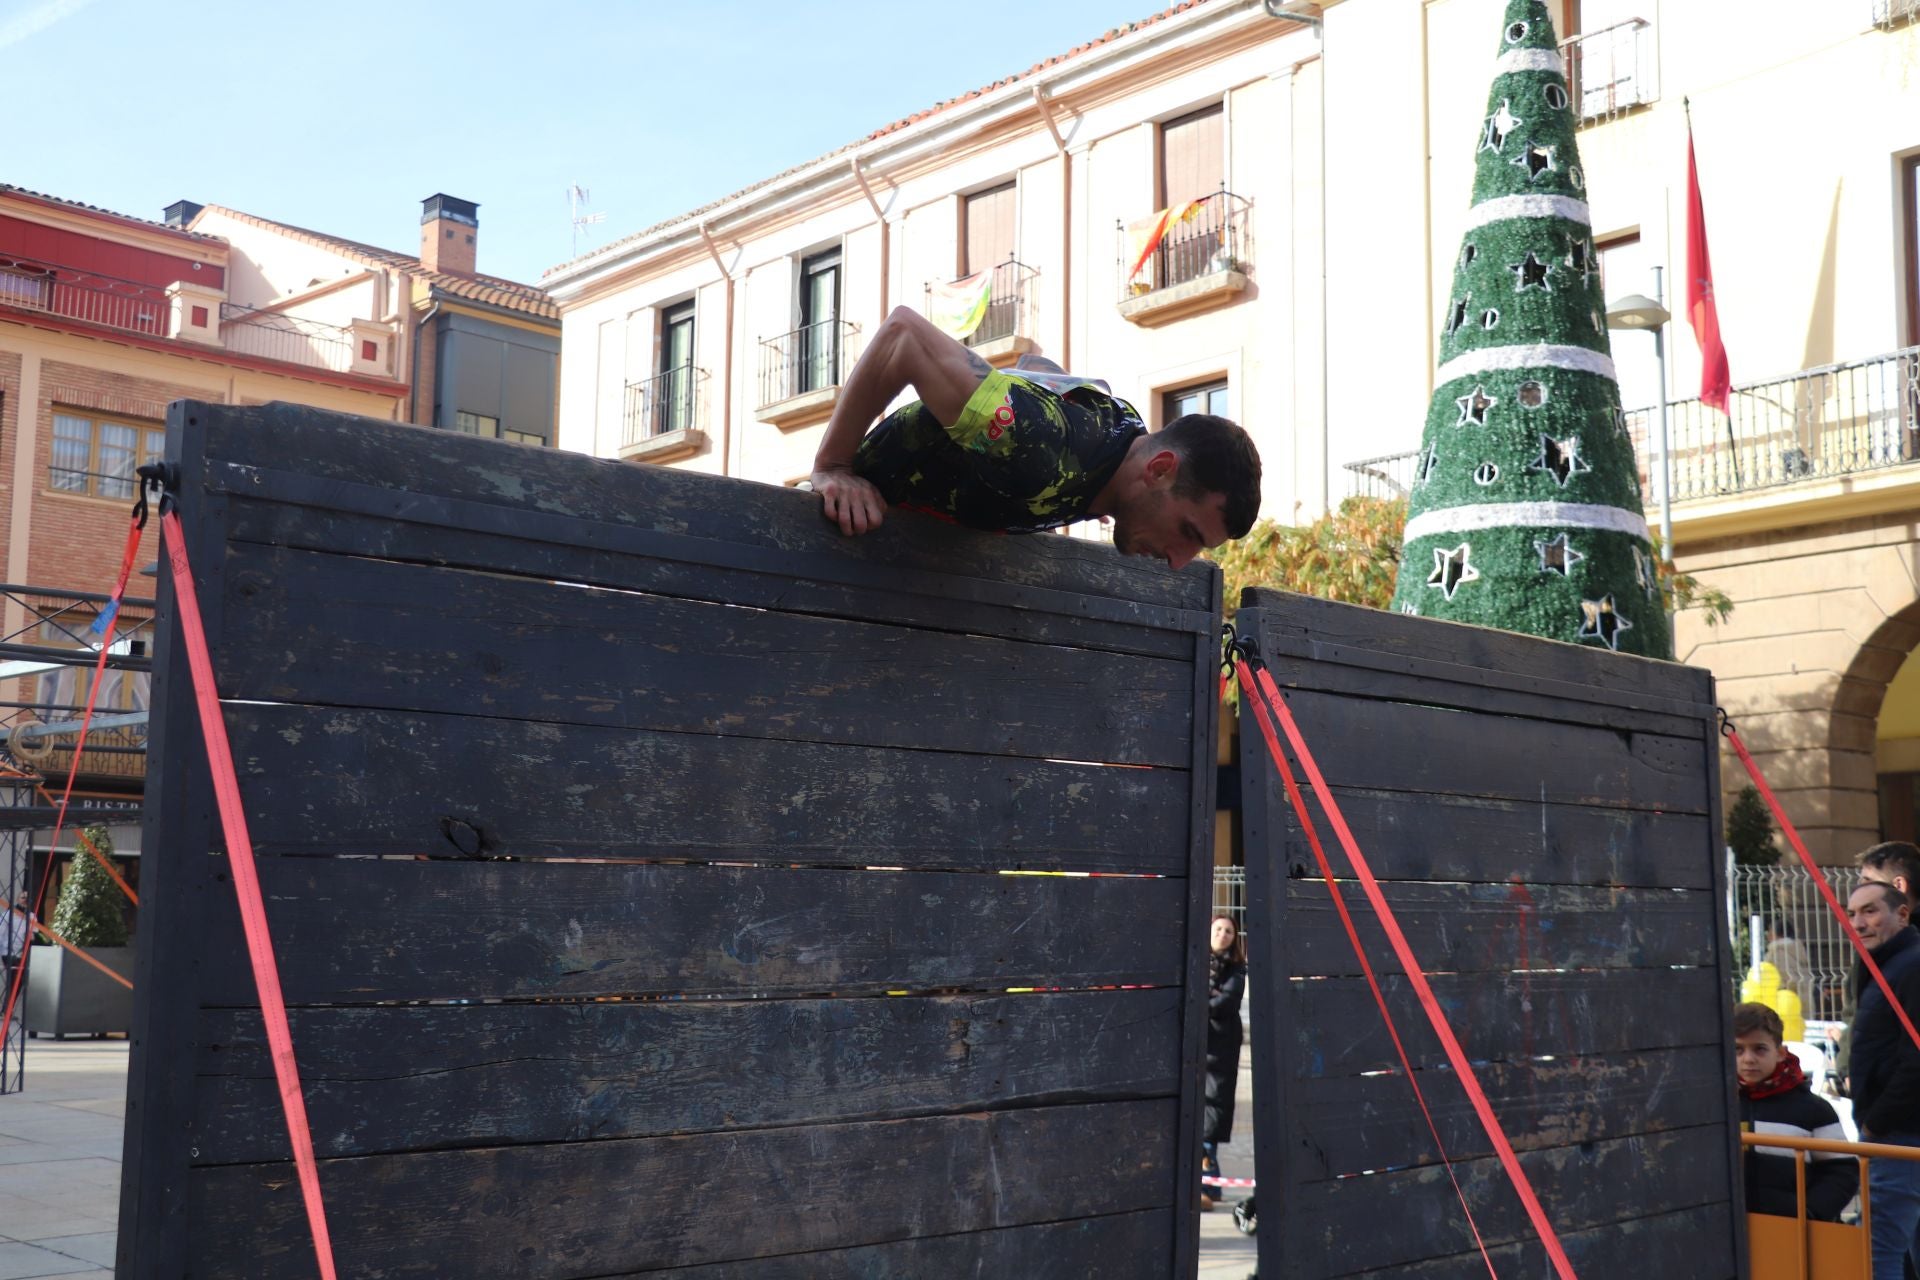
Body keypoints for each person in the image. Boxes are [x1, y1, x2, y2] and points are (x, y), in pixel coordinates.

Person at [808, 305, 1261, 567]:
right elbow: (903, 335)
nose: (1179, 561)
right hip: (840, 537)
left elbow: (1037, 370)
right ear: (1159, 470)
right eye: (1188, 532)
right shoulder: (1037, 445)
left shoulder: (1121, 440)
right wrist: (834, 466)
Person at [1846, 879, 1920, 1279]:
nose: (1858, 922)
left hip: (1899, 1134)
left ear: (1902, 914)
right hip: (1897, 1131)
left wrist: (1876, 1123)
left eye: (1870, 911)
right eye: (1852, 913)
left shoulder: (1910, 965)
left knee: (1876, 1253)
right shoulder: (1887, 965)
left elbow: (1915, 1061)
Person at [1734, 1001, 1854, 1222]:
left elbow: (1842, 1170)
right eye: (1738, 1049)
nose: (1748, 1059)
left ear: (1780, 1053)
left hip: (1796, 1231)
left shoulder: (1812, 1110)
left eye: (1759, 1049)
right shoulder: (1715, 1108)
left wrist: (1810, 1212)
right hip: (1728, 1230)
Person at [1841, 844, 1920, 1094]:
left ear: (1899, 885)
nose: (1858, 923)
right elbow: (1856, 1012)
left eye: (1867, 881)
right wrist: (1848, 1068)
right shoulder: (1874, 945)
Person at [1201, 913, 1247, 1211]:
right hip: (1198, 1049)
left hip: (1220, 1052)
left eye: (1228, 931)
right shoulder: (1197, 962)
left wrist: (1203, 999)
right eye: (1217, 928)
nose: (1222, 934)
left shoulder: (1237, 969)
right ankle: (1208, 1185)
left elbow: (1224, 1003)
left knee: (1210, 1117)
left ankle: (1209, 1186)